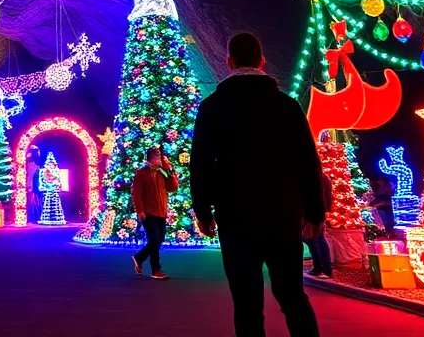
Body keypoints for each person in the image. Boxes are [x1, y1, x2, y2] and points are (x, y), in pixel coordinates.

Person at [190, 32, 325, 337]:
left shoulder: (212, 107)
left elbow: (200, 164)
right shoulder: (287, 106)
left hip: (235, 217)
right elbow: (308, 162)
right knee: (293, 297)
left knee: (247, 303)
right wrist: (314, 212)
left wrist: (203, 210)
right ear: (262, 62)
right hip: (283, 215)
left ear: (229, 62)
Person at [131, 146, 178, 280]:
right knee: (154, 240)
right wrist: (140, 210)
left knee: (159, 240)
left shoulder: (162, 172)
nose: (161, 160)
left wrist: (169, 171)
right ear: (152, 158)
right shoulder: (142, 173)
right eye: (159, 157)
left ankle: (139, 258)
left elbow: (173, 188)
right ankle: (156, 270)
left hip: (161, 212)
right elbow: (136, 194)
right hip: (148, 212)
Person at [304, 172, 334, 278]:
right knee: (310, 239)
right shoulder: (318, 177)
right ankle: (318, 267)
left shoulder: (318, 177)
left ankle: (326, 270)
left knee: (318, 238)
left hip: (315, 211)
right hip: (312, 210)